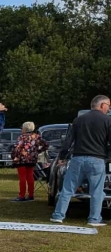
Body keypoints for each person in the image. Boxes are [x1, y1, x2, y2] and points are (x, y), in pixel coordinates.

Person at [51, 95, 111, 227]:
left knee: (67, 189)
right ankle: (94, 219)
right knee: (97, 191)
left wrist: (62, 157)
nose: (109, 108)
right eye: (108, 105)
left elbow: (68, 141)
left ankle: (58, 216)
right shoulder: (107, 121)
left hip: (77, 158)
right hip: (97, 159)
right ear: (102, 105)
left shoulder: (79, 120)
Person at [10, 122, 48, 202]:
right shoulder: (36, 136)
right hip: (32, 159)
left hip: (21, 159)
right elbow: (46, 144)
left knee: (22, 177)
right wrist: (38, 151)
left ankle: (22, 196)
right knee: (30, 176)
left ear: (25, 128)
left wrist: (13, 157)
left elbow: (16, 148)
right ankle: (31, 195)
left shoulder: (21, 137)